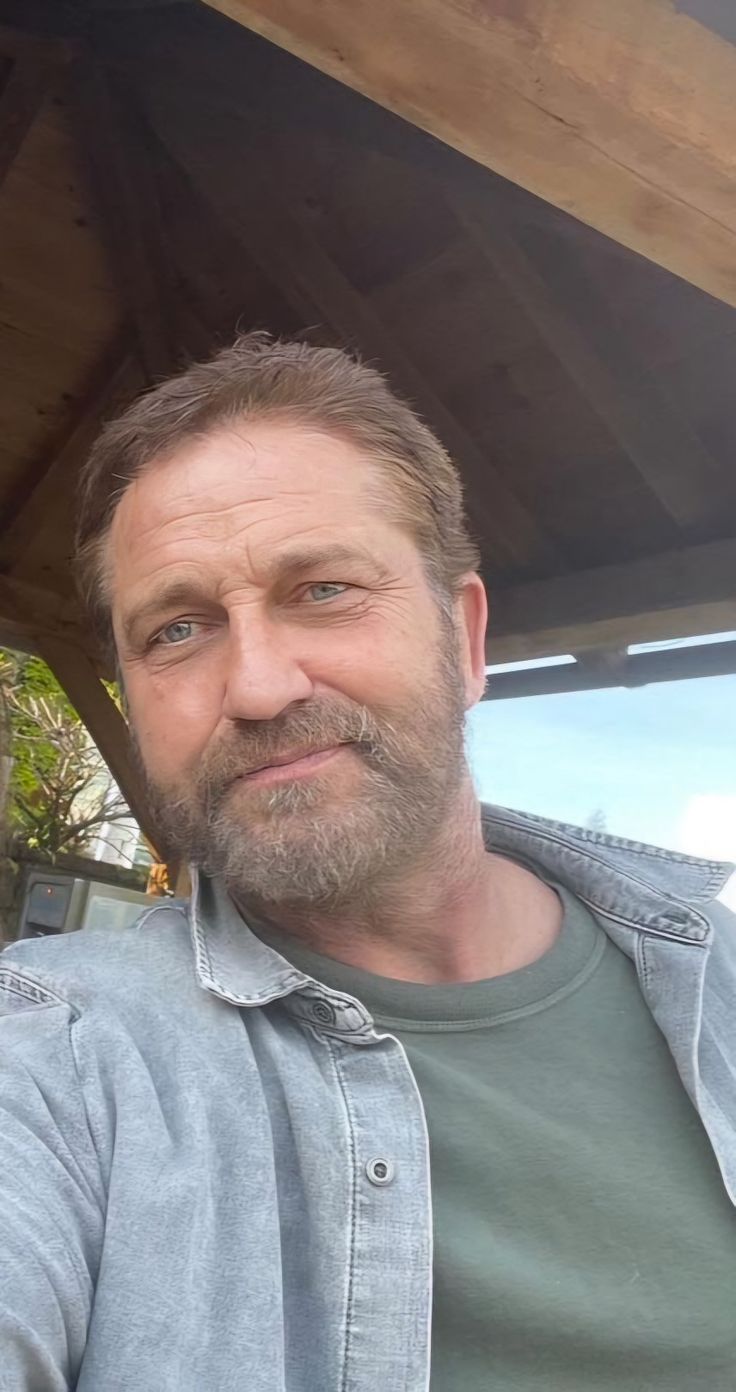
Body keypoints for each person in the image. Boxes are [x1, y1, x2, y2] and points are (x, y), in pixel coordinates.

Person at [1, 334, 735, 1392]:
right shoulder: (55, 1066)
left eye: (324, 589)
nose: (256, 685)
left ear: (465, 639)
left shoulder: (712, 981)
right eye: (176, 629)